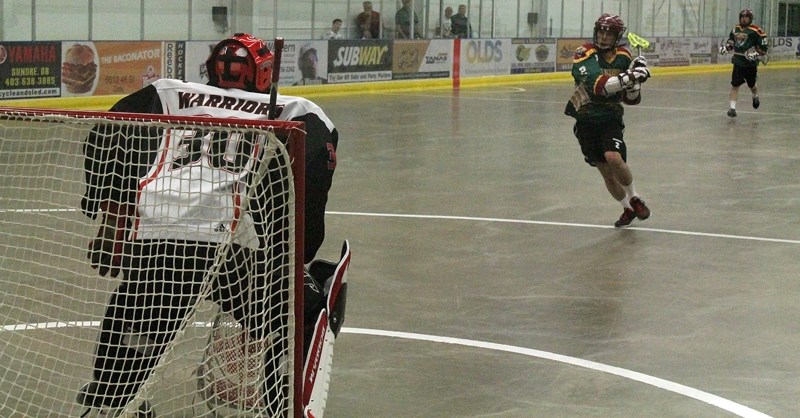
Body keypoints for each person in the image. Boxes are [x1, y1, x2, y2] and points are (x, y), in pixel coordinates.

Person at [76, 32, 349, 417]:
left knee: (139, 304)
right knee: (299, 309)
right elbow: (312, 168)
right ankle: (282, 404)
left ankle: (112, 401)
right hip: (215, 253)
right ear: (265, 73)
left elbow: (105, 136)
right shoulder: (292, 110)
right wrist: (292, 252)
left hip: (151, 239)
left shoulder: (168, 92)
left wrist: (111, 218)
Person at [564, 14, 652, 228]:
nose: (603, 37)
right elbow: (599, 86)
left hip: (610, 116)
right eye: (601, 32)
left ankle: (634, 198)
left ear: (617, 36)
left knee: (613, 157)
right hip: (585, 118)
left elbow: (631, 100)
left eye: (609, 33)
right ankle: (627, 209)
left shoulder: (624, 57)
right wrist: (630, 77)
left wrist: (635, 85)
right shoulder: (584, 53)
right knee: (605, 171)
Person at [718, 8, 768, 118]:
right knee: (735, 85)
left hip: (750, 64)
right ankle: (732, 109)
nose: (744, 19)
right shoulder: (735, 29)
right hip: (738, 62)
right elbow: (731, 42)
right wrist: (726, 47)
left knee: (752, 85)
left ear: (750, 18)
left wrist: (755, 54)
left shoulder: (757, 31)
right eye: (742, 17)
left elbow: (764, 48)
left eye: (746, 17)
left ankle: (755, 96)